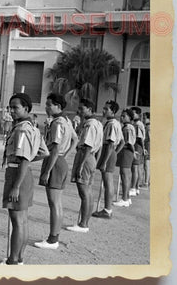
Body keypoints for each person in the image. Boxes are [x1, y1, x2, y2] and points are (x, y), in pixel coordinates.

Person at [1, 93, 48, 264]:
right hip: (24, 173)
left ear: (26, 109)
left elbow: (24, 158)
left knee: (17, 221)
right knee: (23, 220)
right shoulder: (33, 127)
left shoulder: (21, 129)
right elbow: (44, 152)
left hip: (17, 174)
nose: (11, 111)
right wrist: (27, 161)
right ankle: (19, 257)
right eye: (10, 107)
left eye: (15, 107)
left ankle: (12, 260)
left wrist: (15, 186)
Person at [35, 93, 77, 250]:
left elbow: (55, 148)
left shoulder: (57, 123)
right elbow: (75, 139)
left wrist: (47, 170)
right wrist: (66, 155)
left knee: (54, 204)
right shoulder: (66, 120)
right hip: (60, 161)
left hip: (54, 162)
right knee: (57, 203)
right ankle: (54, 237)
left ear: (58, 106)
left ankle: (53, 239)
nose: (46, 107)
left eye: (49, 105)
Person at [67, 98, 103, 233]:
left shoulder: (90, 125)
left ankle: (83, 224)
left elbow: (87, 146)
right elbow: (98, 147)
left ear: (89, 109)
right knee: (88, 192)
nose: (79, 111)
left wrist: (81, 165)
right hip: (91, 158)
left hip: (85, 157)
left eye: (82, 108)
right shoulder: (98, 124)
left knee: (84, 193)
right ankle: (85, 222)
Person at [92, 100, 124, 219]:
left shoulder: (112, 124)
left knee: (107, 181)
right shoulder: (114, 123)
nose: (103, 111)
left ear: (113, 111)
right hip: (109, 152)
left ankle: (107, 209)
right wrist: (115, 153)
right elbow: (122, 142)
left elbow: (111, 144)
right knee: (107, 181)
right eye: (104, 108)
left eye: (106, 109)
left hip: (108, 152)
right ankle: (107, 208)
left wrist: (106, 160)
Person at [113, 109, 136, 207]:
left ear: (130, 118)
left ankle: (125, 199)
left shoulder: (127, 128)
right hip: (127, 151)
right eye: (121, 116)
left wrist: (133, 151)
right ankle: (127, 197)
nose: (122, 117)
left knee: (125, 175)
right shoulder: (127, 127)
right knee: (125, 175)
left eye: (124, 116)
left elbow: (129, 142)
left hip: (126, 151)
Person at [130, 106, 146, 196]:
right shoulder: (136, 123)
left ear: (138, 114)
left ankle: (133, 188)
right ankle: (136, 188)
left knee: (134, 168)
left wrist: (142, 149)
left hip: (137, 146)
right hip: (138, 145)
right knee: (137, 168)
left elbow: (139, 138)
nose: (132, 114)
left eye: (134, 113)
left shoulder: (137, 124)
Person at [140, 112, 150, 188]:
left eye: (144, 118)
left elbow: (149, 138)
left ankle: (146, 182)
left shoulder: (148, 127)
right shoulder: (147, 126)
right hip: (148, 146)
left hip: (148, 147)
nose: (143, 119)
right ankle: (147, 181)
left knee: (146, 165)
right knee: (146, 165)